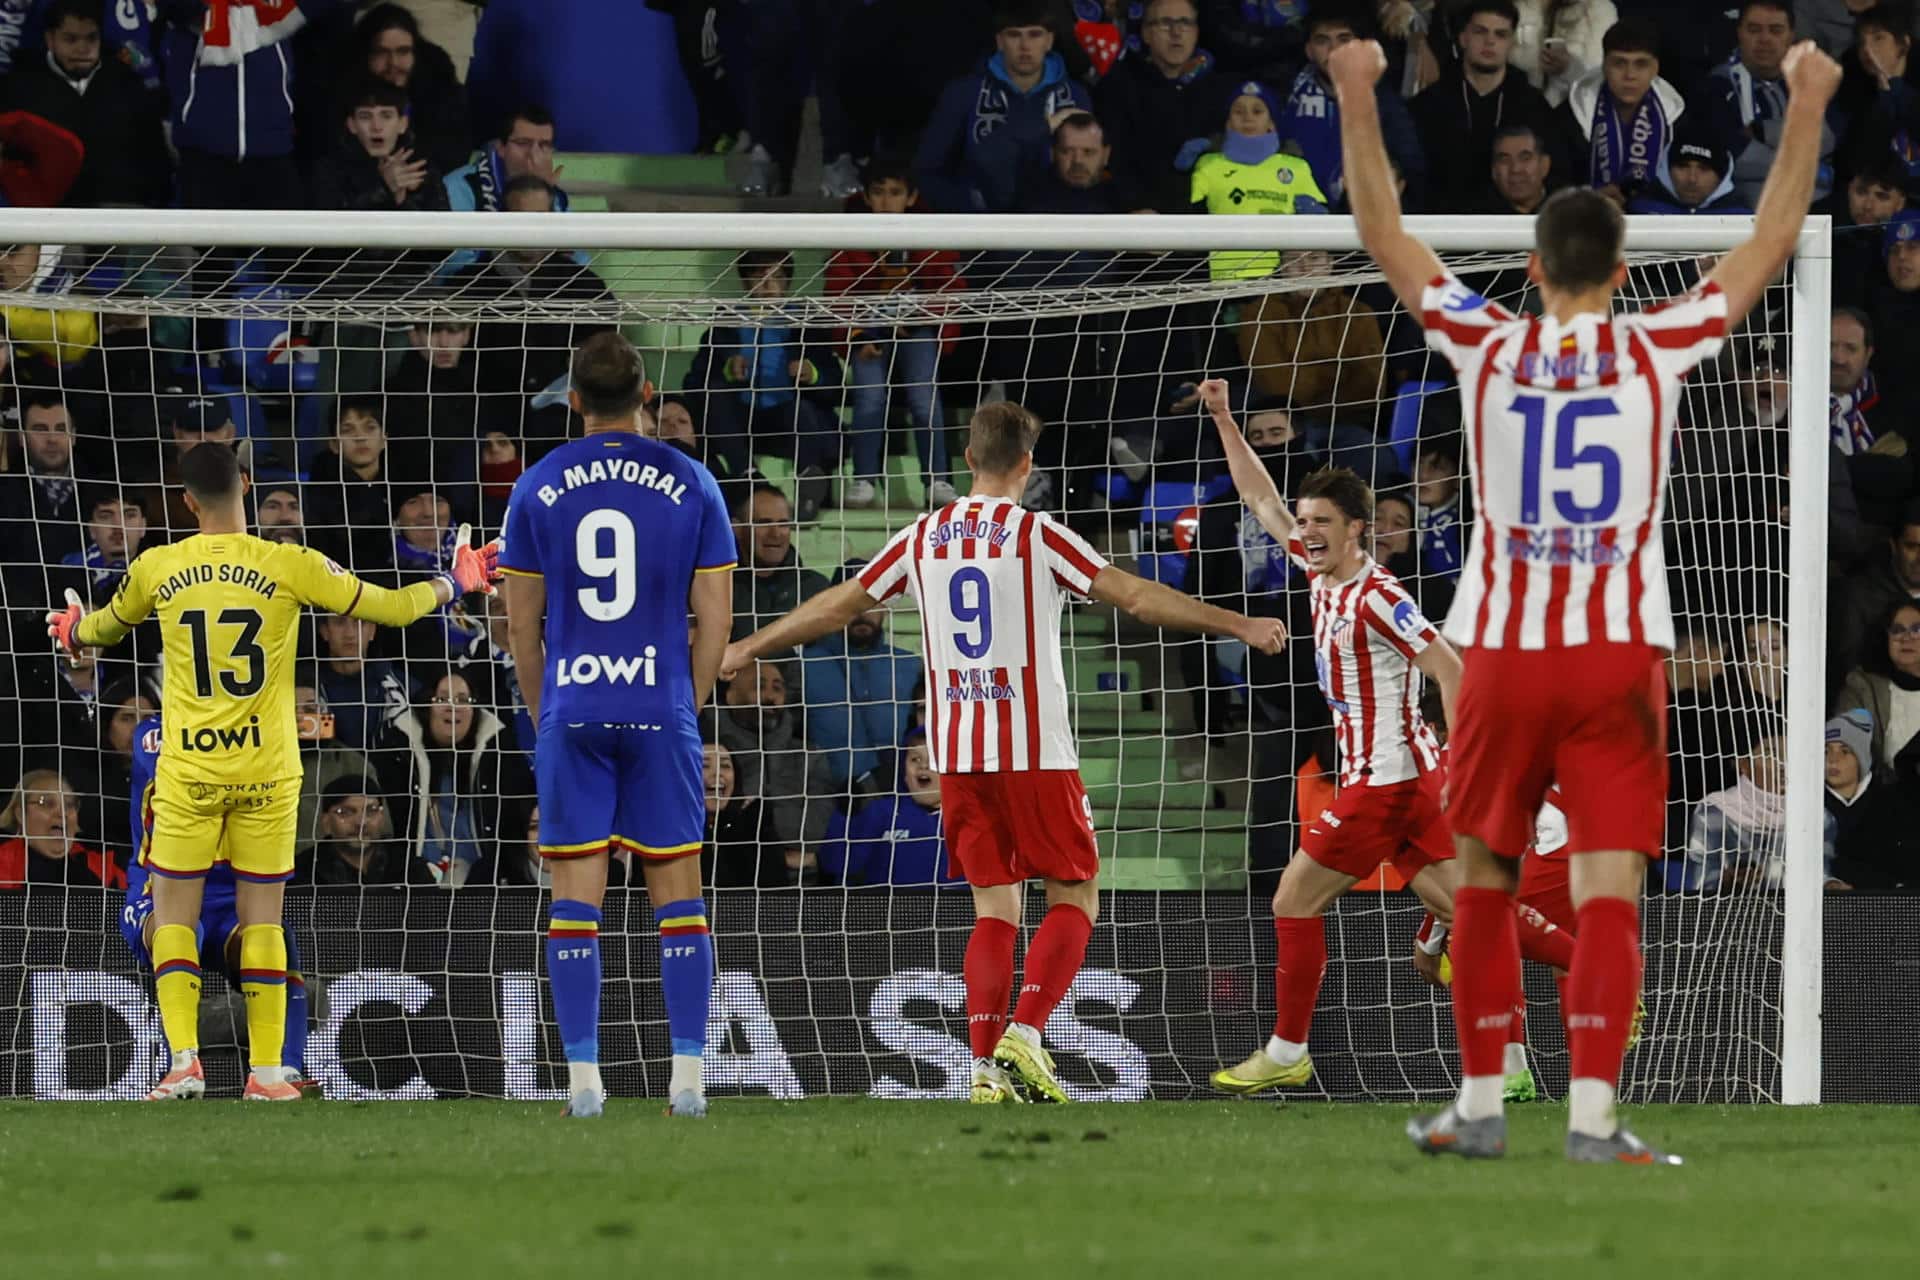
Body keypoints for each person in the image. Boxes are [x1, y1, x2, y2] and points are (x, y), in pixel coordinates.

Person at [1324, 29, 1840, 1161]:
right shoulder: (1657, 345)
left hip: (1505, 652)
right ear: (1618, 273)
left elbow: (1382, 233)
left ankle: (1476, 1104)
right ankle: (1596, 1116)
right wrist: (1804, 102)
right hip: (1617, 653)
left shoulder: (1486, 343)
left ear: (1530, 269)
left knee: (1488, 880)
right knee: (1609, 888)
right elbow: (1770, 239)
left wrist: (1358, 93)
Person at [720, 400, 1285, 1104]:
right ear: (1027, 463)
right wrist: (1237, 620)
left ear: (965, 460)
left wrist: (747, 644)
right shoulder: (1039, 534)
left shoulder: (924, 535)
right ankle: (1027, 1031)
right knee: (1074, 892)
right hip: (1032, 748)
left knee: (995, 910)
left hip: (956, 750)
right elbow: (1136, 597)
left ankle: (987, 1069)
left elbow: (839, 603)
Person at [44, 441, 499, 1102]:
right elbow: (391, 609)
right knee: (263, 921)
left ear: (186, 500)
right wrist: (456, 581)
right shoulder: (288, 563)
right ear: (249, 487)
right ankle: (265, 1074)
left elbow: (104, 630)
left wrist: (73, 631)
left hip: (190, 772)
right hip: (267, 775)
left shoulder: (159, 566)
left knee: (174, 915)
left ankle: (182, 1062)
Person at [1200, 382, 1466, 1096]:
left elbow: (1449, 668)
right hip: (1399, 780)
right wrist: (1227, 420)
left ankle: (1288, 1050)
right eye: (1306, 520)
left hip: (1386, 782)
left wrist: (1473, 758)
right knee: (1466, 911)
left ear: (1359, 531)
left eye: (1322, 521)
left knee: (1291, 902)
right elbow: (1262, 499)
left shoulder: (1380, 594)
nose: (1306, 531)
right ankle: (1593, 978)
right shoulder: (1322, 573)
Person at [500, 332, 735, 1120]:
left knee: (575, 896)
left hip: (573, 706)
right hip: (658, 703)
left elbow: (520, 628)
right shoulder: (694, 480)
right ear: (647, 398)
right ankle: (689, 1080)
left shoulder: (535, 485)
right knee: (678, 893)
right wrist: (684, 706)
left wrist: (548, 714)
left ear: (572, 401)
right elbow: (714, 618)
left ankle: (584, 1084)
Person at [119, 713, 314, 1094]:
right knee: (178, 931)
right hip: (160, 886)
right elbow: (188, 770)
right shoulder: (153, 733)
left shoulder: (255, 731)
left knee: (278, 937)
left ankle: (283, 1069)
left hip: (232, 894)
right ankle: (181, 1063)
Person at [824, 157, 962, 508]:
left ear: (911, 197)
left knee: (923, 397)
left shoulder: (932, 235)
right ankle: (865, 478)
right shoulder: (849, 238)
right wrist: (855, 338)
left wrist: (919, 318)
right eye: (879, 193)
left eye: (896, 193)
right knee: (870, 397)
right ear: (867, 199)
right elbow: (837, 295)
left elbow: (951, 289)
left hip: (917, 325)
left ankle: (938, 479)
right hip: (868, 326)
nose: (887, 202)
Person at [688, 251, 846, 511]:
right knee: (714, 394)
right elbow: (694, 382)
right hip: (738, 422)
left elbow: (835, 385)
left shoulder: (806, 321)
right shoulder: (726, 320)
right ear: (745, 282)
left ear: (788, 283)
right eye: (758, 276)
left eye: (777, 277)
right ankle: (748, 474)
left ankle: (809, 491)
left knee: (803, 411)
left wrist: (812, 373)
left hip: (787, 419)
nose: (768, 284)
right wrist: (727, 369)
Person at [914, 1, 1093, 213]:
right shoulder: (964, 94)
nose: (1025, 46)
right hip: (981, 232)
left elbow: (1089, 174)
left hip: (1054, 231)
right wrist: (971, 208)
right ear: (999, 41)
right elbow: (928, 171)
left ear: (1049, 40)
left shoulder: (1075, 97)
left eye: (1035, 34)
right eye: (1014, 35)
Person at [0, 0, 168, 207]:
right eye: (71, 39)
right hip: (43, 220)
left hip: (122, 218)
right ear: (50, 39)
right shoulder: (20, 90)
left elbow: (156, 162)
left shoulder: (128, 85)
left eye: (91, 39)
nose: (82, 48)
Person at [1411, 2, 1557, 212]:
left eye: (1500, 34)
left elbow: (1556, 175)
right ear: (1463, 38)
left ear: (1511, 44)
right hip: (1443, 227)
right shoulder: (1426, 106)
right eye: (1480, 32)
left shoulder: (1533, 105)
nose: (1490, 41)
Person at [1276, 4, 1425, 210]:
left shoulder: (1382, 100)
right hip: (1292, 219)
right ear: (1309, 50)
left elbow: (1409, 164)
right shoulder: (1288, 92)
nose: (1333, 50)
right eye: (1322, 41)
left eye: (1344, 39)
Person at [1093, 0, 1236, 213]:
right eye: (1165, 23)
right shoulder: (1118, 86)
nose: (1176, 32)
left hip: (1204, 223)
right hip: (1140, 220)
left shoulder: (1220, 90)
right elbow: (1115, 161)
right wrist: (1134, 207)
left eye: (1185, 23)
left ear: (1196, 32)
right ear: (1146, 34)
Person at [389, 671, 523, 887]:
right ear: (427, 707)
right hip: (416, 883)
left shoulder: (499, 755)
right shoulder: (399, 755)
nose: (452, 707)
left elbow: (513, 826)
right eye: (442, 699)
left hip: (482, 884)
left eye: (462, 700)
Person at [1189, 80, 1330, 280]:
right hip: (1223, 281)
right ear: (1228, 122)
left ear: (1271, 123)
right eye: (1238, 112)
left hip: (1281, 282)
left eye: (1257, 111)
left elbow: (1319, 220)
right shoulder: (1209, 164)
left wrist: (1315, 214)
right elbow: (1189, 216)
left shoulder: (1296, 167)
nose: (1248, 118)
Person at [1704, 1, 1838, 207]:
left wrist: (1762, 132)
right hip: (1748, 210)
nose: (1764, 39)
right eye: (1754, 29)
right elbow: (1734, 158)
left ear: (1791, 35)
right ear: (1739, 32)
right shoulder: (1718, 85)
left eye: (1776, 30)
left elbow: (1827, 138)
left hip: (1818, 209)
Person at [801, 564, 920, 789]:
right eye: (853, 604)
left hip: (900, 795)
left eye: (872, 602)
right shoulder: (805, 665)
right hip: (828, 798)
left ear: (886, 605)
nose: (863, 612)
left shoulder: (910, 665)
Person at [1554, 17, 1686, 210]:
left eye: (1640, 64)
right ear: (1605, 65)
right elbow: (1554, 183)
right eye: (1619, 63)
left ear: (1655, 69)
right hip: (1584, 221)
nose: (1630, 75)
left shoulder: (1677, 119)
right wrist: (1590, 197)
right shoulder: (1570, 115)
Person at [819, 732, 964, 886]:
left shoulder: (974, 818)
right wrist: (843, 813)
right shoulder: (882, 812)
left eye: (935, 760)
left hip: (958, 908)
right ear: (905, 775)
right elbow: (836, 864)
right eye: (915, 759)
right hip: (889, 908)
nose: (923, 766)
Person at [1824, 706, 1918, 890]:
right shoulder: (1807, 802)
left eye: (1845, 751)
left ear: (1863, 757)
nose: (1833, 760)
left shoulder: (1896, 803)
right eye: (1826, 750)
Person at [0, 767, 120, 889]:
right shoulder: (3, 863)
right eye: (46, 803)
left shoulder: (105, 867)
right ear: (20, 814)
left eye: (69, 804)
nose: (62, 813)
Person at [1626, 119, 1753, 215]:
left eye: (1704, 169)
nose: (1692, 179)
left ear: (1722, 176)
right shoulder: (1638, 212)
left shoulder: (1743, 221)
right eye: (1683, 166)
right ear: (1666, 169)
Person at [1511, 0, 1618, 108]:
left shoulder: (1599, 12)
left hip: (1575, 113)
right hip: (1519, 107)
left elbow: (1598, 83)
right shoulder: (1519, 8)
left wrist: (1569, 69)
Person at [1480, 122, 1558, 214]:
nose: (1515, 169)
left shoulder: (1568, 210)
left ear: (1544, 165)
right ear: (1494, 170)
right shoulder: (1475, 217)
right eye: (1505, 160)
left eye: (1525, 158)